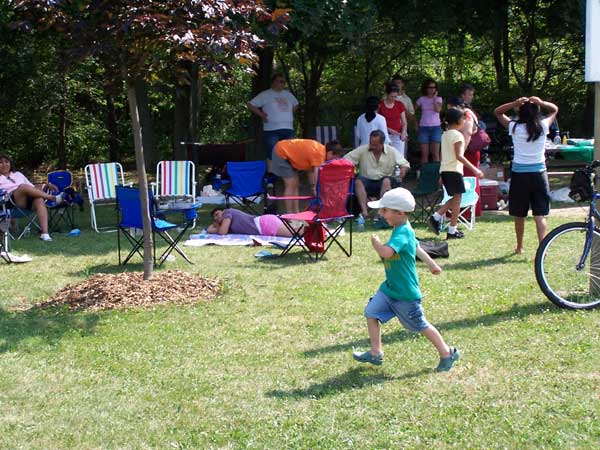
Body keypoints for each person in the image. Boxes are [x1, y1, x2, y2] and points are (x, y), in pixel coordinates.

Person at [351, 187, 460, 372]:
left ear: (399, 212)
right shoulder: (402, 229)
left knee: (420, 325)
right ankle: (376, 353)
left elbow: (387, 253)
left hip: (405, 294)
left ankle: (447, 353)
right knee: (371, 312)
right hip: (389, 289)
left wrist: (377, 245)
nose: (381, 213)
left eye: (384, 210)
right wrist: (432, 264)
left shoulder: (402, 232)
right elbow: (416, 247)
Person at [494, 96, 558, 254]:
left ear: (520, 113)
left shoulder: (514, 127)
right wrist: (541, 102)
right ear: (537, 112)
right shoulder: (543, 125)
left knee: (519, 214)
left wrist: (514, 103)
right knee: (540, 214)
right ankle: (542, 249)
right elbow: (554, 109)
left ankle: (520, 247)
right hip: (539, 174)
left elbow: (498, 112)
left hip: (519, 175)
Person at [429, 108, 484, 239]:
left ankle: (436, 218)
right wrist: (475, 169)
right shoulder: (458, 135)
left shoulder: (445, 134)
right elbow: (459, 156)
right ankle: (451, 230)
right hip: (454, 170)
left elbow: (443, 156)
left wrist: (441, 174)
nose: (465, 121)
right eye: (464, 118)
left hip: (446, 170)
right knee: (457, 199)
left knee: (456, 198)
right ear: (459, 121)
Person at [344, 130, 410, 225]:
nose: (372, 146)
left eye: (375, 145)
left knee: (386, 181)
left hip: (384, 181)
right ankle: (365, 212)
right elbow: (345, 159)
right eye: (371, 143)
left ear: (382, 144)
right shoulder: (363, 150)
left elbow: (405, 163)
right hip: (367, 180)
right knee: (358, 181)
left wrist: (403, 169)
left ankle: (380, 213)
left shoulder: (391, 151)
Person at [0, 154, 65, 241]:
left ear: (10, 163)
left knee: (38, 199)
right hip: (8, 202)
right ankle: (52, 198)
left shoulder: (17, 174)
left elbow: (31, 187)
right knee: (22, 186)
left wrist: (45, 185)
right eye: (1, 163)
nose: (4, 164)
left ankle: (45, 234)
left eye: (6, 162)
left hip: (26, 201)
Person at [248, 73, 299, 172]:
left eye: (284, 82)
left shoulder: (288, 94)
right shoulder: (265, 94)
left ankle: (287, 175)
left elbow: (296, 104)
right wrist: (262, 115)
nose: (282, 83)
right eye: (280, 81)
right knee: (272, 153)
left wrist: (288, 113)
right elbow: (250, 104)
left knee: (289, 152)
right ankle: (271, 177)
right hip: (271, 129)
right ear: (273, 82)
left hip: (288, 128)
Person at [272, 138, 332, 213]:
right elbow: (317, 176)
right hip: (281, 152)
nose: (333, 160)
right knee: (290, 184)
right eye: (335, 157)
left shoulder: (320, 149)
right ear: (330, 153)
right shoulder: (320, 154)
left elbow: (311, 171)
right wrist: (315, 189)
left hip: (288, 154)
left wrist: (313, 187)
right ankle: (290, 216)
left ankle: (297, 213)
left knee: (295, 184)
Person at [207, 207, 293, 237]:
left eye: (217, 214)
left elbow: (222, 232)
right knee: (295, 231)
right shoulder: (227, 224)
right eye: (214, 218)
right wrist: (218, 225)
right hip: (263, 225)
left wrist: (217, 226)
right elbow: (209, 230)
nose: (216, 217)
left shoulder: (227, 212)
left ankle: (305, 226)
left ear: (222, 210)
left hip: (263, 225)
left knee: (294, 234)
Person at [415, 78, 443, 163]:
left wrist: (434, 99)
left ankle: (437, 174)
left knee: (435, 154)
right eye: (430, 87)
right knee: (424, 154)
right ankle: (424, 175)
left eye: (434, 87)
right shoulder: (421, 99)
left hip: (436, 127)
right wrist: (415, 123)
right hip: (424, 127)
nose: (432, 89)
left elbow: (438, 110)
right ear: (425, 88)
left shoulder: (438, 99)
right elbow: (412, 111)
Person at [378, 83, 408, 158]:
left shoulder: (399, 104)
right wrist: (391, 131)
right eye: (392, 96)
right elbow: (378, 123)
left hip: (398, 136)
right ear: (387, 94)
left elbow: (404, 122)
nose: (394, 98)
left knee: (399, 158)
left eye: (395, 96)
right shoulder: (380, 105)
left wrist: (404, 132)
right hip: (384, 135)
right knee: (385, 158)